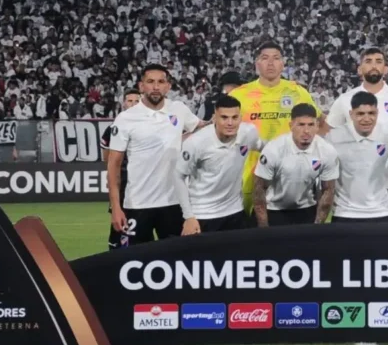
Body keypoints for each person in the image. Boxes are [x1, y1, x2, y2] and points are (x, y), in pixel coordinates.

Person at [107, 64, 207, 245]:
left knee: (177, 263)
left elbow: (202, 127)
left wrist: (224, 119)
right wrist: (115, 207)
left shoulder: (179, 109)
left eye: (161, 82)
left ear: (168, 86)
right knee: (134, 264)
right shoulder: (126, 118)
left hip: (174, 203)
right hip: (137, 204)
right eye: (150, 82)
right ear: (141, 86)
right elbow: (113, 165)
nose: (155, 87)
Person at [326, 47, 388, 222]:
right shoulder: (344, 100)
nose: (374, 65)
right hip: (354, 189)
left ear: (386, 69)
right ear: (359, 69)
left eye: (379, 61)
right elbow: (326, 136)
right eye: (368, 61)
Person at [230, 42, 322, 218]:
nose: (270, 63)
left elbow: (318, 124)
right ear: (256, 63)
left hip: (291, 174)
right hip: (248, 174)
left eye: (276, 58)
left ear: (283, 64)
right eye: (265, 58)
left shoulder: (298, 92)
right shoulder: (239, 95)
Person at [175, 94, 264, 234]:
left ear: (240, 118)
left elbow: (264, 148)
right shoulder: (196, 143)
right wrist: (189, 217)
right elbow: (178, 176)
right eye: (224, 117)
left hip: (235, 210)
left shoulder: (248, 132)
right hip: (203, 214)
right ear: (215, 118)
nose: (230, 123)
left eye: (235, 117)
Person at [326, 91, 388, 223]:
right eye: (360, 114)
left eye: (371, 113)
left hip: (381, 212)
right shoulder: (333, 137)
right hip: (344, 213)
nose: (366, 118)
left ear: (377, 113)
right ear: (351, 114)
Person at [252, 103, 339, 226]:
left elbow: (328, 190)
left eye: (311, 125)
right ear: (291, 125)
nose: (306, 131)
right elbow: (259, 189)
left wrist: (318, 225)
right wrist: (264, 228)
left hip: (307, 209)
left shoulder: (327, 151)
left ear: (317, 126)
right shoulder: (273, 149)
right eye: (301, 125)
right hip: (275, 210)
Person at [100, 88, 141, 249]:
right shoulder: (113, 129)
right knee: (119, 226)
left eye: (136, 101)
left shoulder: (152, 126)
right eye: (130, 101)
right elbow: (107, 159)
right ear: (124, 103)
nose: (133, 104)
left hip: (144, 185)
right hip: (123, 185)